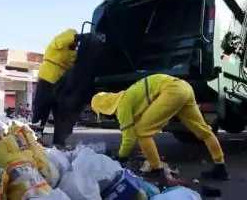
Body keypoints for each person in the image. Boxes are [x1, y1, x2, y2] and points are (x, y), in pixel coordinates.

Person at [91, 74, 229, 185]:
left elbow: (129, 137)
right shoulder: (127, 96)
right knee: (204, 131)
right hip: (184, 87)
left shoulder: (122, 106)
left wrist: (121, 156)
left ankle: (156, 169)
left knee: (142, 132)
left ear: (104, 108)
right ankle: (220, 167)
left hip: (172, 91)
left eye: (101, 113)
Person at [32, 29, 81, 130]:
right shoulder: (56, 44)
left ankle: (59, 141)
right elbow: (62, 41)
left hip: (59, 84)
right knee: (42, 108)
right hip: (47, 79)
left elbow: (78, 59)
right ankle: (36, 135)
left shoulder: (72, 53)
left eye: (77, 44)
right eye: (75, 42)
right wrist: (76, 36)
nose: (75, 45)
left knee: (60, 112)